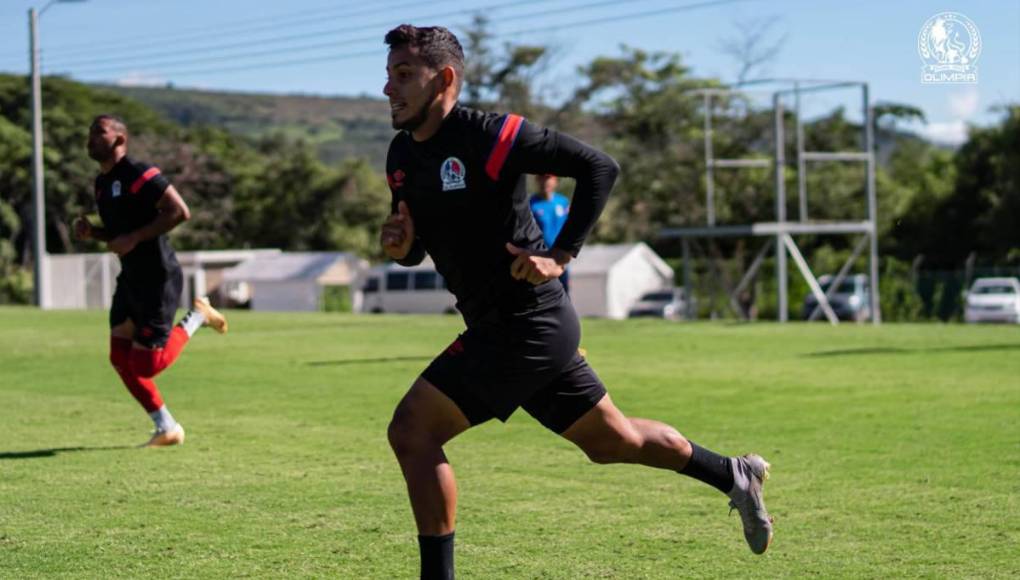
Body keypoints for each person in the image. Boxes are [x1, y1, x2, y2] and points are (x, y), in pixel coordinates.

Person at [380, 25, 774, 579]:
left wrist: (562, 253)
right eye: (389, 74)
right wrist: (400, 247)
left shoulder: (491, 137)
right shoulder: (401, 155)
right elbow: (416, 243)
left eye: (403, 75)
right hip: (514, 326)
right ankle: (732, 473)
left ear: (443, 80)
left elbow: (599, 166)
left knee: (413, 431)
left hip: (525, 323)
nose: (387, 88)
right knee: (613, 441)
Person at [74, 114, 227, 447]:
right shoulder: (101, 183)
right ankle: (166, 426)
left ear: (119, 139)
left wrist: (135, 237)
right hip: (130, 278)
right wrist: (94, 233)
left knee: (146, 365)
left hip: (157, 277)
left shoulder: (139, 172)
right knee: (119, 358)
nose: (91, 138)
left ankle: (199, 315)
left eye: (99, 132)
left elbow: (178, 211)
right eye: (89, 133)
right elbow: (120, 236)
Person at [529, 173, 571, 293]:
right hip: (540, 255)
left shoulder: (562, 202)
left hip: (560, 255)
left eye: (548, 178)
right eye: (542, 178)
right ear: (537, 180)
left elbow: (569, 226)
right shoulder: (531, 204)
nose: (545, 182)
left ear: (555, 181)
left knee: (563, 290)